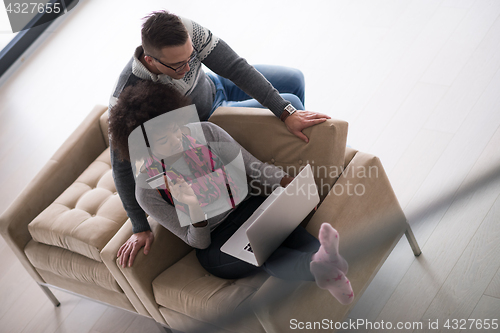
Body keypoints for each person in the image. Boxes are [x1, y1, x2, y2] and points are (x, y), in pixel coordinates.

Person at [109, 10, 331, 268]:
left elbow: (235, 68)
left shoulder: (186, 33)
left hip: (214, 87)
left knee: (293, 84)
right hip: (206, 118)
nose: (189, 66)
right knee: (291, 103)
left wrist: (285, 113)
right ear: (151, 60)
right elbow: (122, 167)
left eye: (190, 56)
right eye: (178, 65)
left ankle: (323, 147)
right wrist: (139, 225)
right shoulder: (129, 96)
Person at [108, 80, 354, 305]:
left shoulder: (205, 133)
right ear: (146, 148)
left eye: (175, 128)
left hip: (249, 207)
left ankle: (328, 265)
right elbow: (198, 242)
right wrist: (195, 209)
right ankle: (321, 266)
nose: (176, 140)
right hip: (216, 243)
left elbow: (252, 167)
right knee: (263, 250)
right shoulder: (148, 192)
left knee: (280, 233)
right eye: (163, 140)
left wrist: (289, 183)